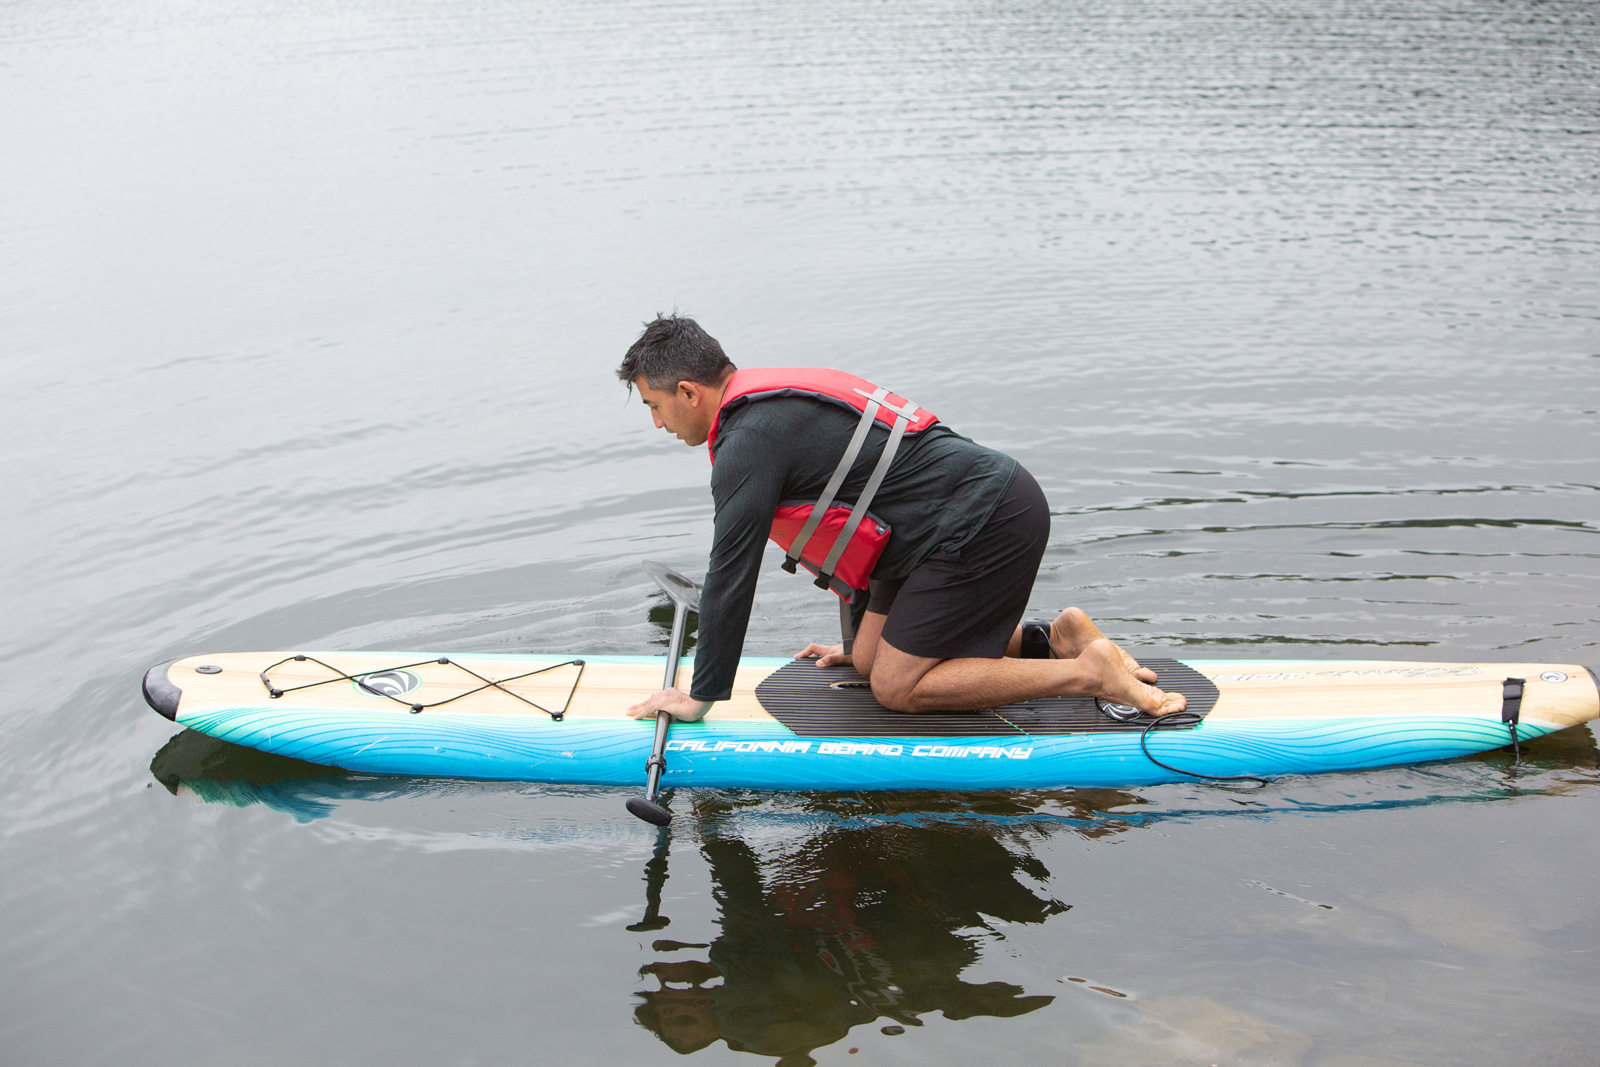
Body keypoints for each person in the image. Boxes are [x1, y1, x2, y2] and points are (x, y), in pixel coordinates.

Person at [617, 314, 1185, 723]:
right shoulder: (770, 411)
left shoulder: (748, 443)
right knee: (867, 660)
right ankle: (1052, 639)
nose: (657, 422)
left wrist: (702, 694)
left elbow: (730, 576)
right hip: (933, 526)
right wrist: (866, 638)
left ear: (688, 392)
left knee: (895, 686)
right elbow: (851, 521)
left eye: (653, 405)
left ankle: (1088, 673)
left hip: (985, 519)